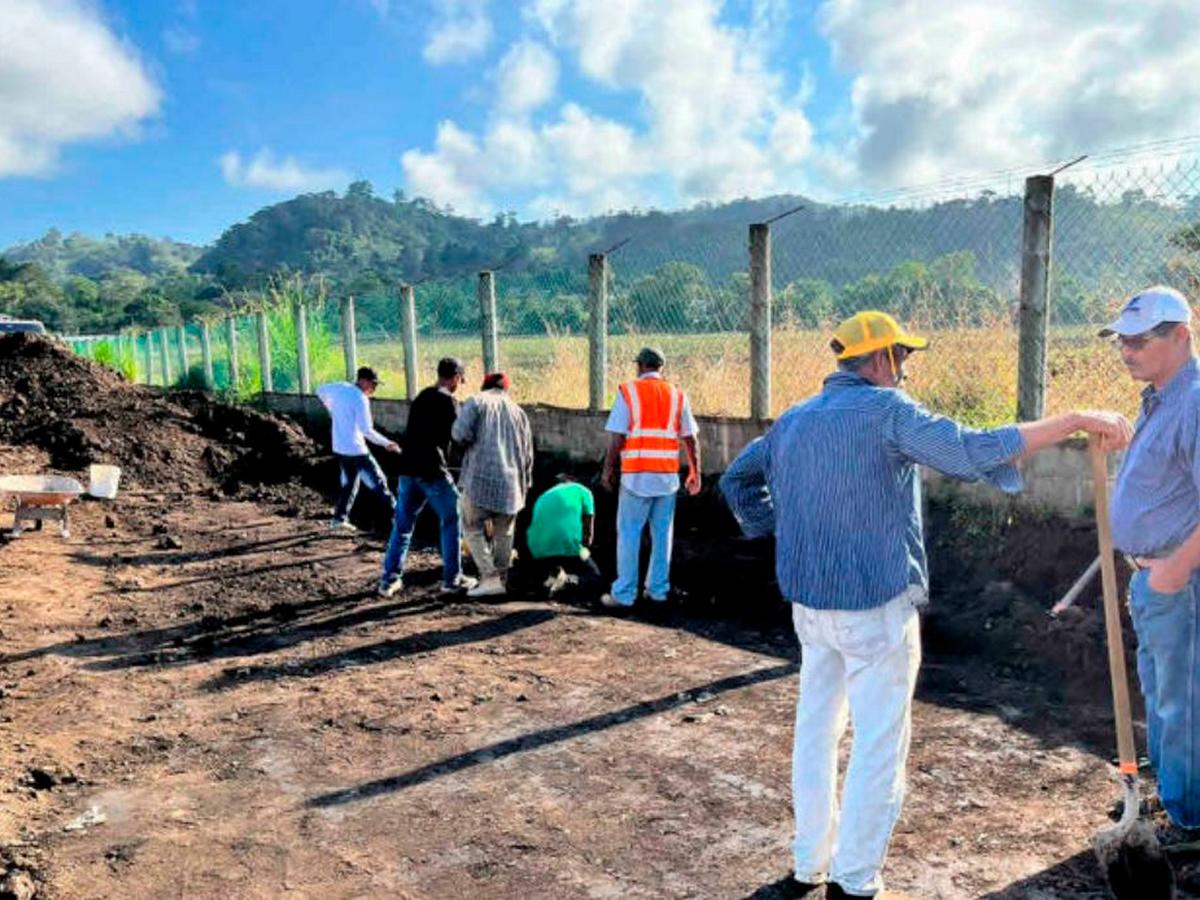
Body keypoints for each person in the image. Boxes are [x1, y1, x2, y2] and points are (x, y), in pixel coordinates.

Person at [719, 310, 1131, 900]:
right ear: (882, 359)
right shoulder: (888, 413)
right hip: (875, 610)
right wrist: (1072, 419)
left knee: (816, 733)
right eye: (903, 359)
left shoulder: (793, 421)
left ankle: (810, 865)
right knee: (878, 743)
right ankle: (855, 882)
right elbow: (970, 450)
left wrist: (782, 528)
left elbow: (737, 480)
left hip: (810, 608)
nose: (905, 371)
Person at [1102, 285, 1200, 836]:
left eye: (1140, 341)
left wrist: (1175, 569)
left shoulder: (1195, 401)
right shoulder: (1162, 398)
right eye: (1123, 341)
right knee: (1165, 693)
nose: (1127, 351)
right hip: (1156, 577)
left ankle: (1189, 820)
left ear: (1181, 336)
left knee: (1182, 699)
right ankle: (1174, 797)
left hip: (1177, 581)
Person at [600, 346, 700, 609]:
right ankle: (657, 591)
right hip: (666, 478)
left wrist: (608, 470)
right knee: (663, 535)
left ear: (640, 366)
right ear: (661, 367)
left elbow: (617, 437)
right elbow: (690, 438)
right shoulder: (678, 395)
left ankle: (624, 594)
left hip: (636, 477)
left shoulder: (628, 392)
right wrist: (694, 471)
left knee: (630, 533)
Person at [378, 358, 478, 598]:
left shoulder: (422, 396)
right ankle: (452, 579)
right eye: (459, 380)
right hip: (431, 471)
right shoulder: (449, 403)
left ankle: (389, 580)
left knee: (402, 526)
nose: (459, 385)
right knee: (452, 519)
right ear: (454, 377)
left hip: (407, 470)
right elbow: (458, 439)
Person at [451, 372, 534, 598]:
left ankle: (489, 577)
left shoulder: (476, 402)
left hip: (479, 479)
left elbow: (459, 434)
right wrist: (525, 484)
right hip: (511, 484)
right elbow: (528, 454)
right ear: (506, 389)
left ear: (484, 385)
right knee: (504, 532)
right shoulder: (519, 412)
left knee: (471, 527)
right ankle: (502, 578)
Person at [316, 366, 399, 531]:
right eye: (372, 384)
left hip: (340, 447)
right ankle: (400, 518)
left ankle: (339, 520)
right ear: (362, 381)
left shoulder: (341, 388)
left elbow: (319, 390)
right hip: (357, 450)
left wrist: (331, 408)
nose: (374, 388)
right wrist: (387, 443)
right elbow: (367, 430)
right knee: (379, 483)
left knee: (349, 484)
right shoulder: (360, 398)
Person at [519, 476, 604, 602]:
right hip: (566, 544)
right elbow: (588, 533)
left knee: (551, 568)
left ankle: (550, 581)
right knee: (595, 577)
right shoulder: (584, 491)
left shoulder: (545, 495)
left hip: (536, 547)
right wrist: (585, 550)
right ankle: (568, 581)